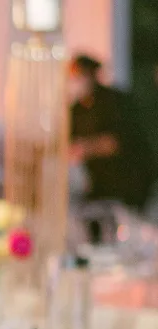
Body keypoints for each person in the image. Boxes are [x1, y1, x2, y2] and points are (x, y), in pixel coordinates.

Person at [69, 54, 155, 213]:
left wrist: (87, 148)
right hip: (97, 187)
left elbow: (117, 141)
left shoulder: (115, 102)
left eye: (79, 75)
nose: (75, 81)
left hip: (127, 184)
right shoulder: (76, 110)